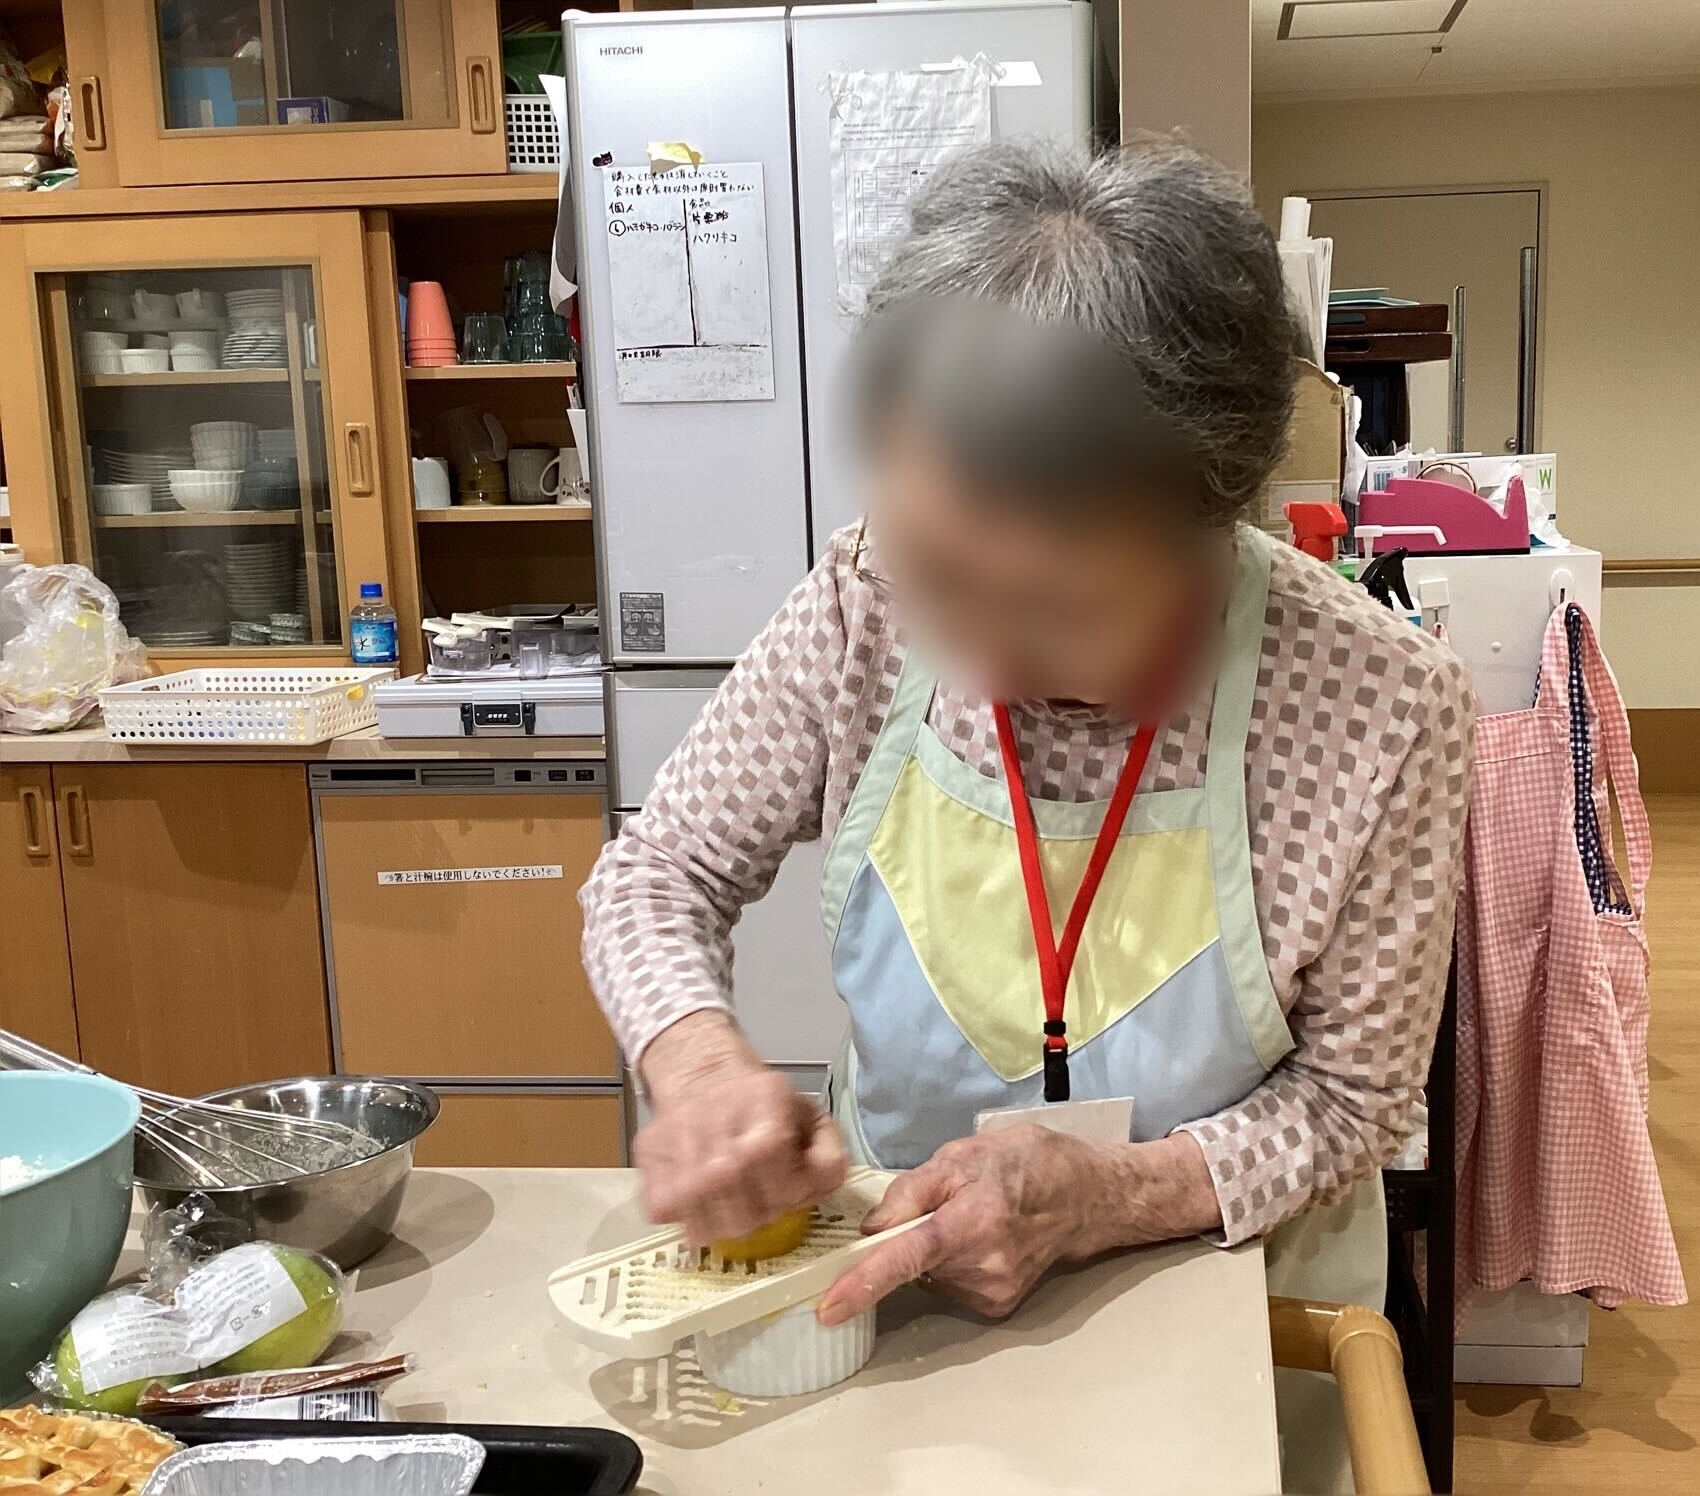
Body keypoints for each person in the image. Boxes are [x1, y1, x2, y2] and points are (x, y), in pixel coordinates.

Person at [580, 139, 1475, 1343]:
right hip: (897, 1295)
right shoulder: (861, 602)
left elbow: (1352, 1101)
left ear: (1212, 535)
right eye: (935, 571)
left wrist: (1113, 1195)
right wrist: (696, 1068)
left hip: (1231, 1317)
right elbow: (658, 872)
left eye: (1052, 609)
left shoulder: (1381, 705)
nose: (969, 646)